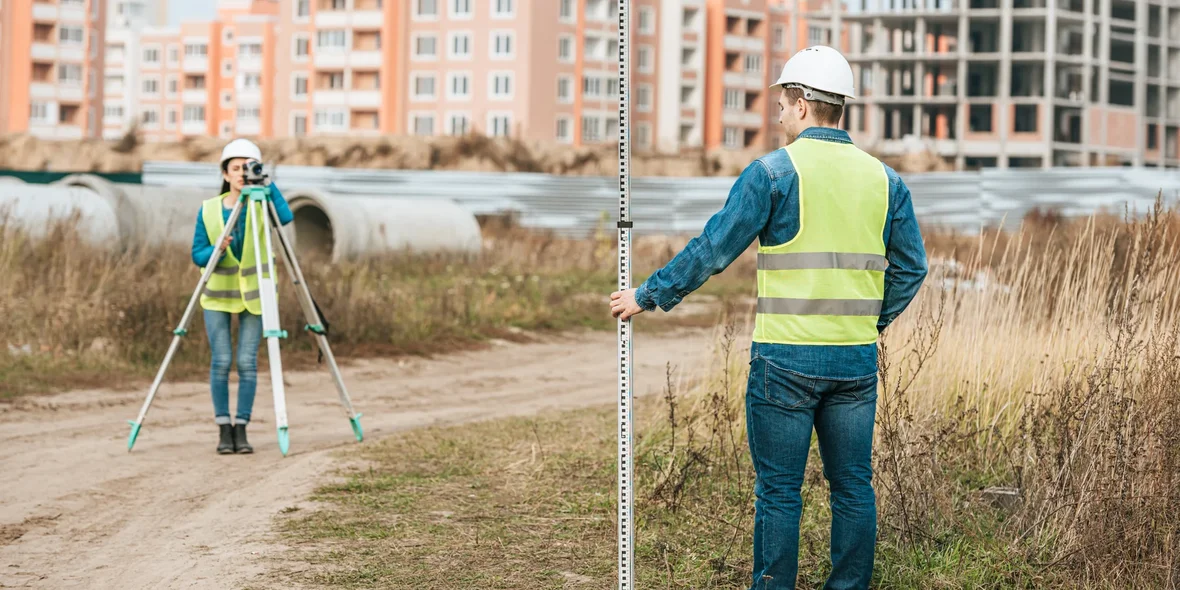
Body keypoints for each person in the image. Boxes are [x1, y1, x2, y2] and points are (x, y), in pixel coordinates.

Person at [610, 46, 928, 589]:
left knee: (779, 490)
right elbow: (912, 268)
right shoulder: (885, 180)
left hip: (784, 362)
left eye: (783, 102)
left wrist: (649, 294)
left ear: (803, 105)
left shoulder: (773, 174)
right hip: (853, 361)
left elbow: (713, 249)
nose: (778, 113)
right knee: (853, 486)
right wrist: (870, 322)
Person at [191, 138, 294, 455]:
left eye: (247, 167)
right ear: (224, 174)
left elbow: (286, 217)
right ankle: (224, 429)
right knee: (221, 361)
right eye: (235, 168)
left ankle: (242, 429)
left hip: (254, 295)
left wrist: (266, 183)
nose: (241, 173)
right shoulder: (209, 209)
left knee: (247, 363)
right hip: (218, 297)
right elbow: (197, 254)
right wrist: (216, 250)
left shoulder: (262, 206)